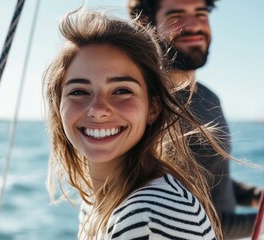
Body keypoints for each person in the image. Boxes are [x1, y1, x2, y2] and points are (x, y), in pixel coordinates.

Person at [42, 8, 232, 240]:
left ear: (152, 107)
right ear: (58, 105)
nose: (98, 110)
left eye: (122, 91)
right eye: (79, 91)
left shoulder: (149, 215)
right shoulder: (95, 200)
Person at [127, 0, 264, 239]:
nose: (194, 25)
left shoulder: (208, 97)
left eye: (201, 13)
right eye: (177, 14)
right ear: (145, 23)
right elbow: (170, 219)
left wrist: (261, 198)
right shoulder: (145, 106)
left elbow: (213, 179)